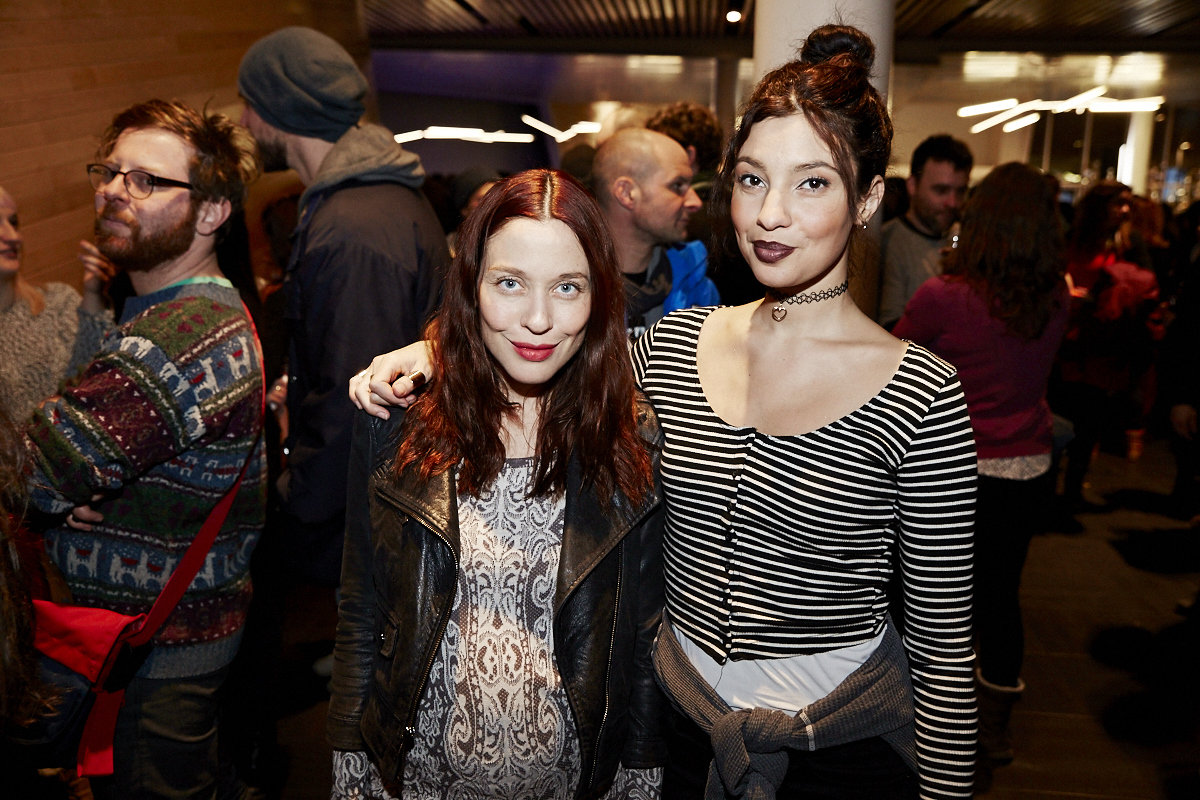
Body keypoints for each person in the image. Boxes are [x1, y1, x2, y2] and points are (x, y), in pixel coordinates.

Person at [350, 24, 977, 800]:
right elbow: (543, 335)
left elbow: (945, 652)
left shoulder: (922, 393)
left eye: (811, 183)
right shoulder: (672, 347)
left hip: (837, 753)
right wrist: (434, 351)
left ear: (870, 197)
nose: (770, 214)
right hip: (676, 740)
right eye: (751, 180)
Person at [327, 169, 666, 799]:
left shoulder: (631, 436)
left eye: (568, 287)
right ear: (472, 285)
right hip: (419, 778)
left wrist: (639, 773)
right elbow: (362, 605)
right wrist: (352, 763)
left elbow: (642, 637)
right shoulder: (396, 422)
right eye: (510, 283)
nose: (537, 320)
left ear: (599, 297)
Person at [22, 99, 265, 800]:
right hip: (149, 643)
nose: (114, 190)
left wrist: (52, 491)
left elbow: (31, 467)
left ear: (213, 212)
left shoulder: (184, 331)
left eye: (147, 181)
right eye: (111, 172)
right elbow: (67, 460)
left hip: (159, 660)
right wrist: (67, 495)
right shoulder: (161, 308)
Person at [238, 26, 448, 585]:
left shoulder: (352, 227)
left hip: (357, 521)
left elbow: (353, 394)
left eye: (248, 104)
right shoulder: (364, 202)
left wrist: (296, 499)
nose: (243, 122)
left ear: (278, 110)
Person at [892, 162, 1069, 775]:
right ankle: (994, 729)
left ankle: (931, 722)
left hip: (957, 469)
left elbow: (894, 356)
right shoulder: (1057, 295)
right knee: (1001, 595)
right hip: (1029, 463)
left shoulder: (945, 296)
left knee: (936, 600)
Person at [1053, 182, 1160, 508]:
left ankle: (1072, 491)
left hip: (1105, 347)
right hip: (1068, 340)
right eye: (1118, 203)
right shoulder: (1073, 237)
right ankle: (1051, 488)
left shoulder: (1130, 243)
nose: (1125, 210)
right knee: (1062, 415)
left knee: (1089, 421)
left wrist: (1111, 288)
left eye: (1128, 203)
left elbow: (1147, 285)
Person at [0, 186, 116, 423]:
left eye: (14, 222)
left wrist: (93, 297)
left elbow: (99, 376)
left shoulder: (59, 301)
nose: (13, 236)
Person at [591, 128, 718, 338]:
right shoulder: (569, 290)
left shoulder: (696, 286)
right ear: (627, 193)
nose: (695, 202)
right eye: (677, 186)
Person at [877, 134, 972, 328]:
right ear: (912, 186)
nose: (952, 203)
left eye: (960, 192)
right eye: (941, 190)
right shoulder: (887, 243)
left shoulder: (966, 242)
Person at [445, 165, 500, 257]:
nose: (492, 204)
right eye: (482, 199)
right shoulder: (449, 249)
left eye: (496, 197)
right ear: (464, 209)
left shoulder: (511, 238)